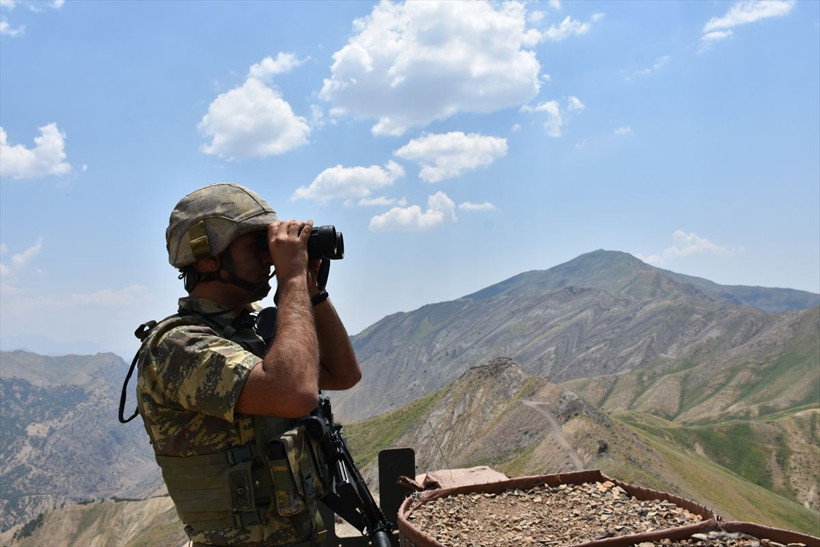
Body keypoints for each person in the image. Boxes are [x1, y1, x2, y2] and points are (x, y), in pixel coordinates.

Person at [135, 182, 361, 546]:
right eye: (257, 245)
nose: (270, 255)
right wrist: (289, 280)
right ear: (207, 256)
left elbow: (343, 374)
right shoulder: (178, 347)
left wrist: (310, 287)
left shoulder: (251, 330)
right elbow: (294, 393)